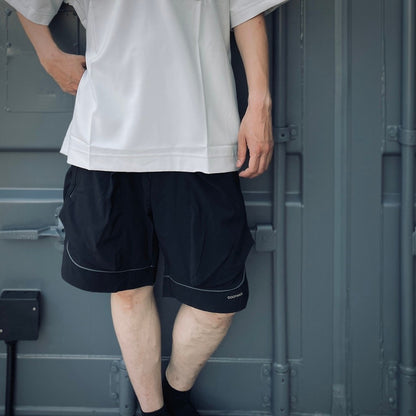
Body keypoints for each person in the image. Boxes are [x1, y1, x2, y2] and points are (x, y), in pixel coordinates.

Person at [7, 1, 288, 415]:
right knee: (128, 292)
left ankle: (175, 393)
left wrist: (259, 103)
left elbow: (247, 11)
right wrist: (50, 58)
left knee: (216, 305)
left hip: (203, 140)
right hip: (107, 142)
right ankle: (154, 411)